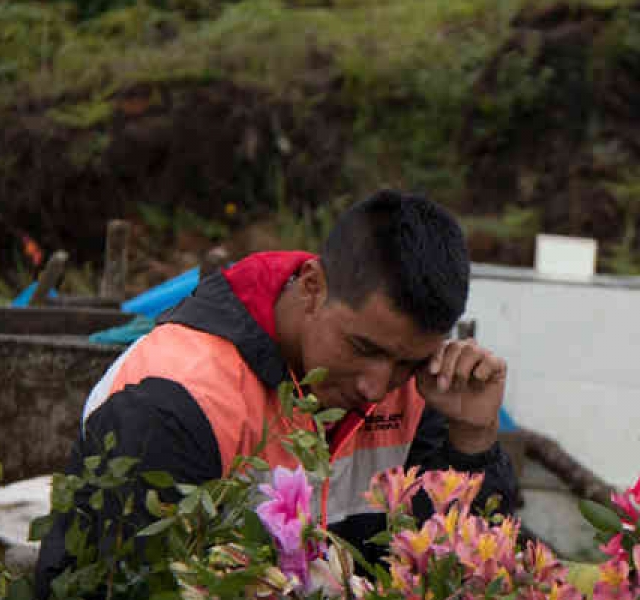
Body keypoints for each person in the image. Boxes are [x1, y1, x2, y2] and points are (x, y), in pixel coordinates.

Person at [35, 190, 519, 596]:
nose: (377, 386)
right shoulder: (175, 399)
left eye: (406, 362)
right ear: (312, 286)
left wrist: (472, 439)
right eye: (361, 347)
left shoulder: (419, 388)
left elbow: (453, 569)